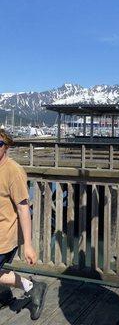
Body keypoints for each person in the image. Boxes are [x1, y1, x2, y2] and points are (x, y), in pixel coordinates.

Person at [0, 129, 47, 320]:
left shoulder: (13, 171)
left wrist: (28, 245)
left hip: (4, 235)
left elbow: (23, 209)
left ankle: (32, 287)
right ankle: (25, 288)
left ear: (6, 146)